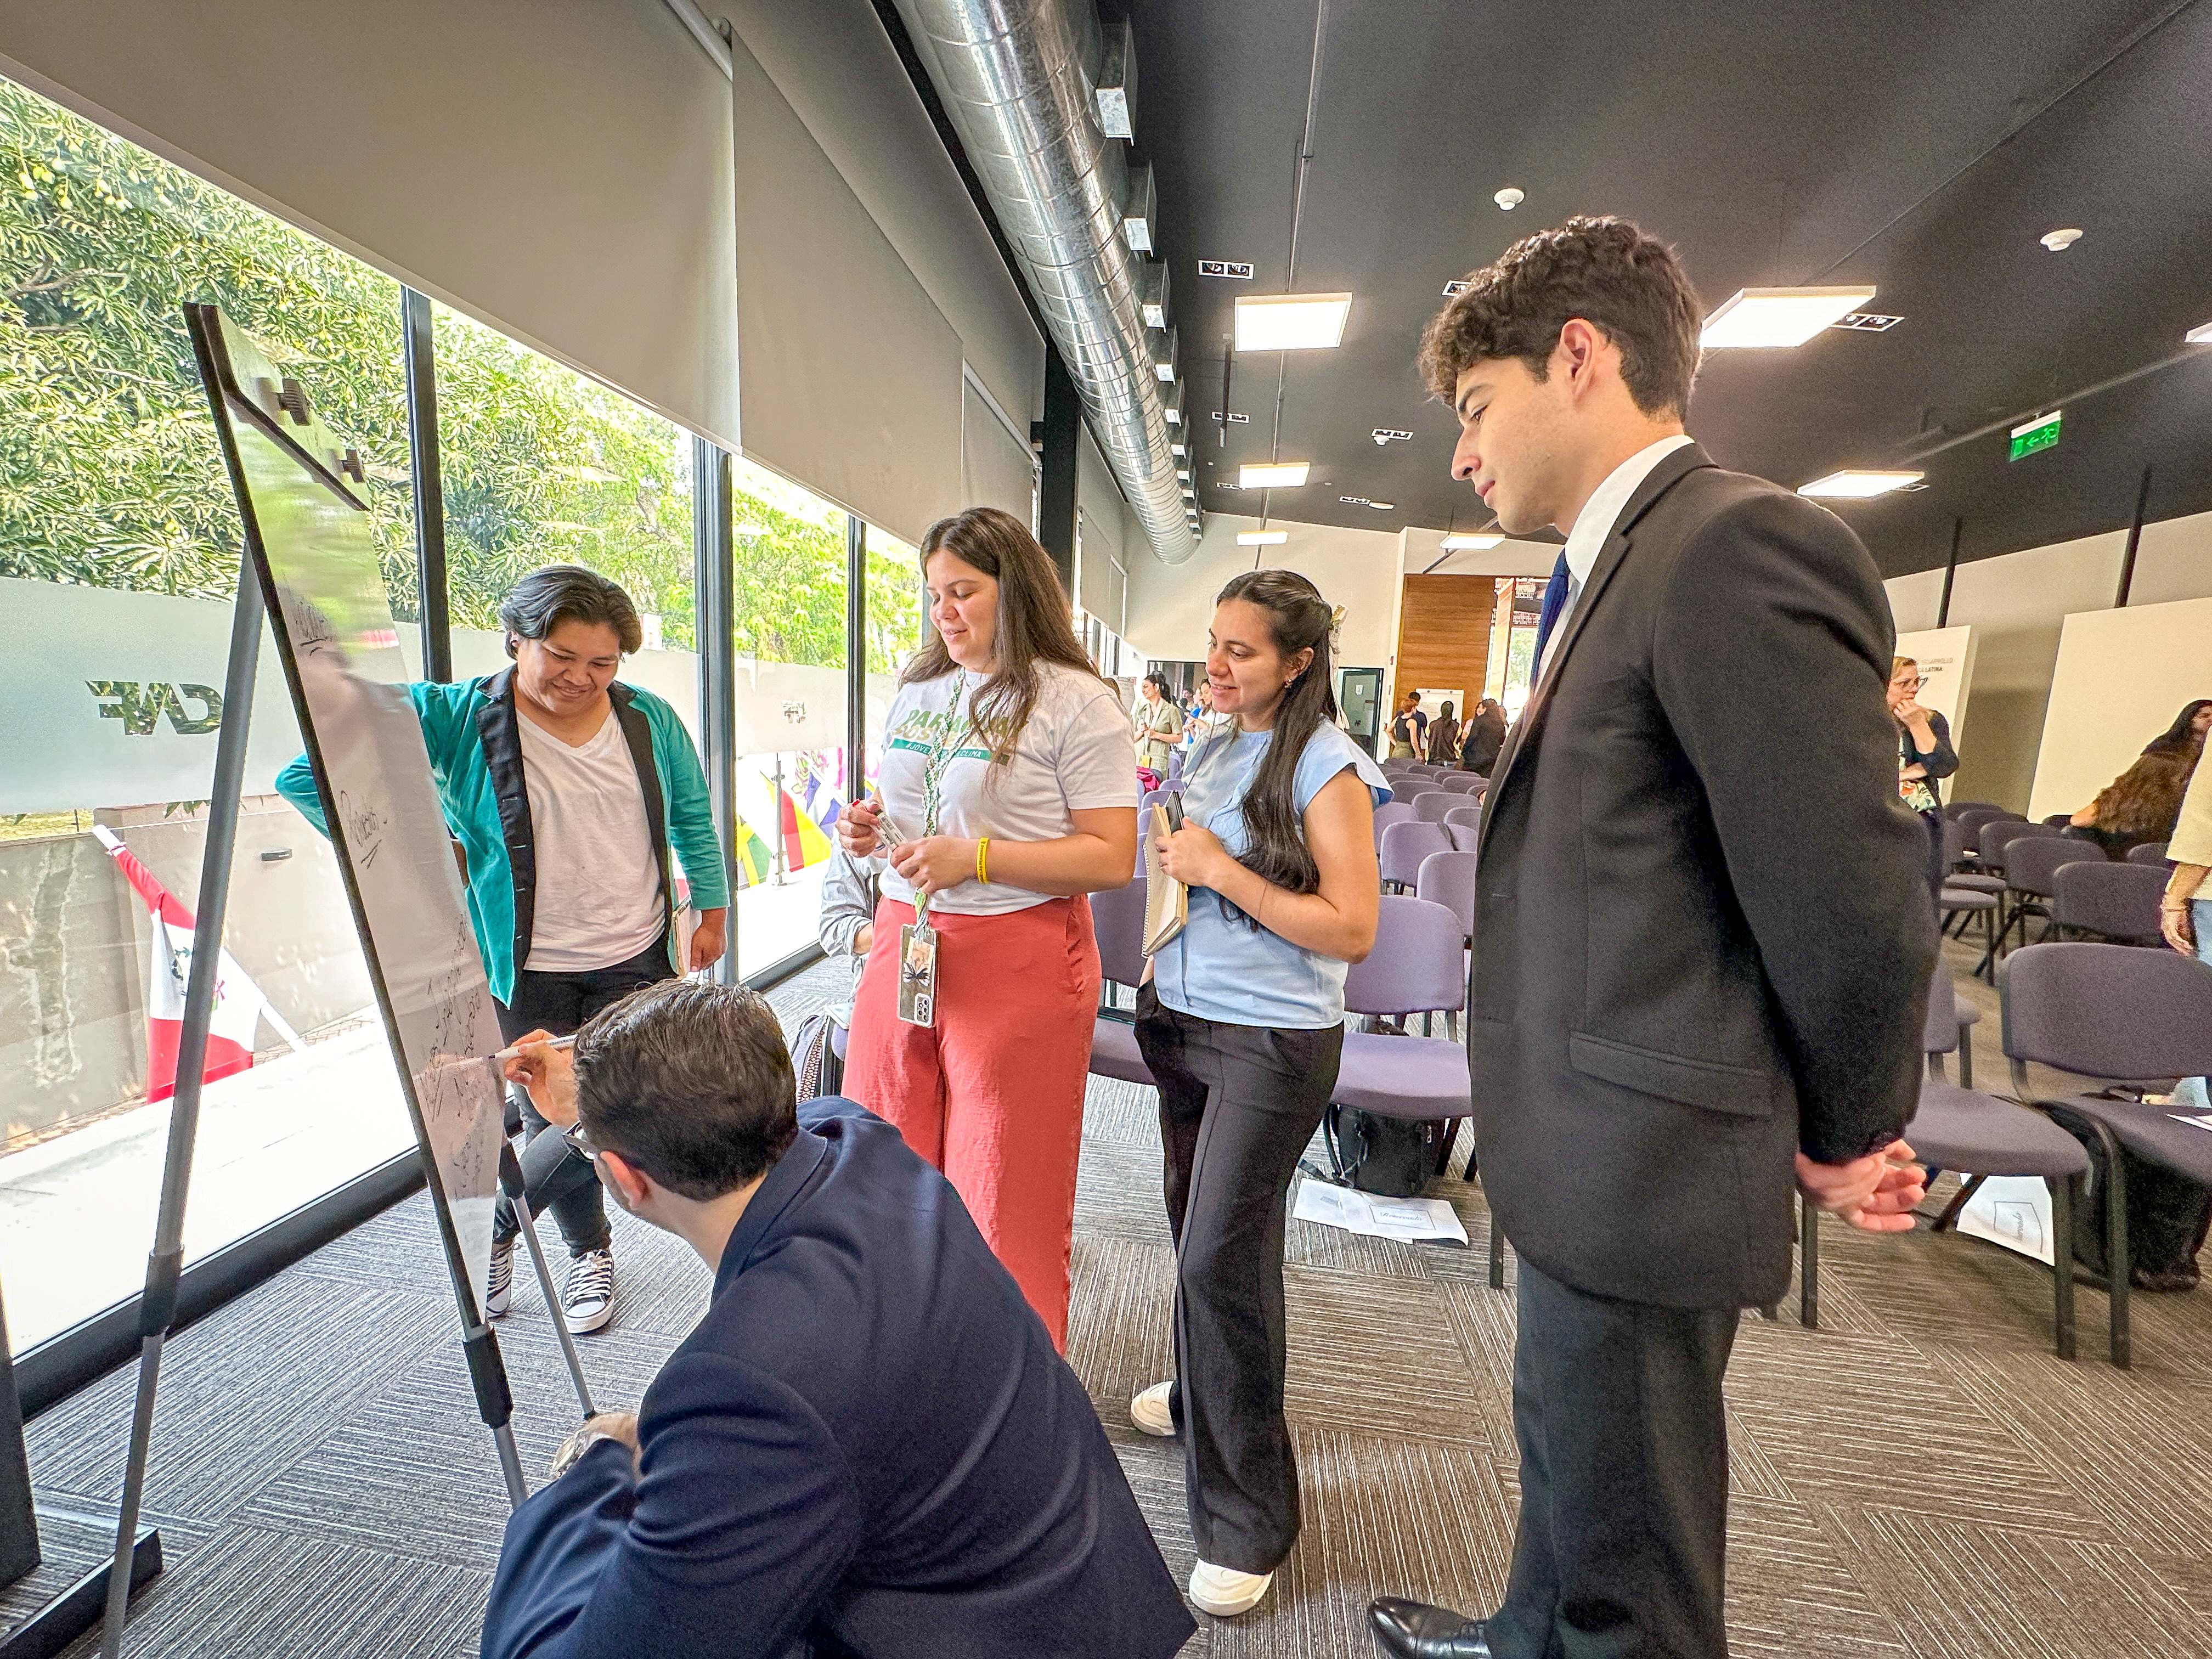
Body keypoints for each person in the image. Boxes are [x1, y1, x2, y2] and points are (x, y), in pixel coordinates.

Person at [1368, 216, 1933, 1659]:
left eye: (1475, 409)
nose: (1461, 453)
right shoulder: (1609, 566)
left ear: (1580, 356)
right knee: (1570, 1471)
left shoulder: (1733, 546)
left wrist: (1846, 1124)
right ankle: (1519, 1639)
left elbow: (1851, 897)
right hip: (1593, 1142)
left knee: (1639, 1581)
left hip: (1652, 1156)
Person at [477, 981, 1195, 1659]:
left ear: (627, 1181)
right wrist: (594, 1104)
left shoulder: (750, 1390)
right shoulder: (853, 1138)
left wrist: (605, 1460)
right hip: (1078, 1583)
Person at [277, 564, 726, 1336]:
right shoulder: (456, 717)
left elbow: (690, 813)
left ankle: (501, 1228)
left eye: (602, 664)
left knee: (618, 1113)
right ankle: (587, 1251)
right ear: (515, 639)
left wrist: (713, 908)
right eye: (561, 656)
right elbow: (307, 774)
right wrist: (429, 855)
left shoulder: (646, 719)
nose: (581, 678)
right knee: (552, 1114)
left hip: (637, 953)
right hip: (526, 965)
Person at [1128, 570, 1386, 1619]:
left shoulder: (1328, 765)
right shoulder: (1215, 740)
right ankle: (1201, 1397)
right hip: (1185, 1018)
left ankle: (1248, 1520)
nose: (1218, 664)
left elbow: (1354, 927)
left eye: (1242, 650)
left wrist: (1221, 870)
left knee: (1217, 1260)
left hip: (1271, 1042)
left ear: (1299, 661)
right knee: (1199, 1227)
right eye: (1214, 643)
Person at [835, 507, 1138, 1349]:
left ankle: (1011, 1397)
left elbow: (1112, 858)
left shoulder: (1077, 704)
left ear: (1019, 590)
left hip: (1020, 957)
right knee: (885, 1168)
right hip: (908, 944)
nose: (945, 612)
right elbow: (906, 817)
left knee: (1003, 1192)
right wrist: (868, 833)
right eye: (935, 594)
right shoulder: (918, 690)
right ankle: (900, 1357)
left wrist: (978, 859)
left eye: (964, 592)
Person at [1889, 656, 1959, 905]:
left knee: (1923, 897)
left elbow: (1943, 765)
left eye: (1918, 681)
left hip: (1922, 816)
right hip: (1880, 816)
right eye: (1904, 683)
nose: (1914, 689)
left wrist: (1917, 725)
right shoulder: (1865, 722)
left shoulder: (1931, 719)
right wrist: (1917, 768)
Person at [2068, 742, 2201, 860]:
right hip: (2146, 869)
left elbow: (2077, 821)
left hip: (2106, 866)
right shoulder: (2173, 807)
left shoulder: (2114, 797)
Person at [1133, 672, 1184, 770]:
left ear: (1156, 687)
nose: (1143, 690)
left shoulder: (1171, 710)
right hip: (1140, 762)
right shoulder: (1141, 710)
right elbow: (1132, 738)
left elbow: (1179, 738)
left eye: (1146, 687)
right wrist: (1141, 732)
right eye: (1142, 688)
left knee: (1155, 785)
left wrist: (1156, 735)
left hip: (1158, 764)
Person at [2139, 697, 2212, 758]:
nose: (2211, 720)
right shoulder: (2166, 749)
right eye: (2205, 716)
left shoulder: (2197, 745)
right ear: (2189, 719)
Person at [1459, 695, 1508, 774]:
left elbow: (1472, 737)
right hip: (1491, 760)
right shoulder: (1500, 723)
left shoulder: (1480, 720)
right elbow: (1502, 740)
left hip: (1475, 759)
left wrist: (1464, 751)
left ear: (1486, 709)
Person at [1387, 690, 1429, 759]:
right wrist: (1418, 754)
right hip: (1408, 751)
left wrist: (1395, 743)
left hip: (1397, 749)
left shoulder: (1398, 717)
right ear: (1414, 707)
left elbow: (1388, 730)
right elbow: (1414, 740)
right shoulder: (1414, 720)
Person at [1427, 698, 1464, 768]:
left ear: (1441, 710)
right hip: (1451, 759)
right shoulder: (1457, 726)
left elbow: (1428, 738)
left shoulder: (1432, 724)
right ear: (1452, 711)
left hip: (1434, 760)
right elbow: (1457, 742)